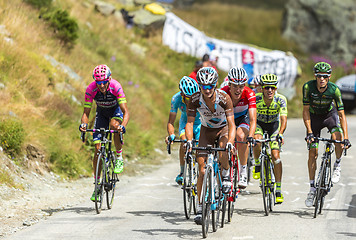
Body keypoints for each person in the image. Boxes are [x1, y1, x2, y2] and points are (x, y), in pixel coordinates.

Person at [185, 67, 236, 225]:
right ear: (199, 85)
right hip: (206, 131)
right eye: (203, 86)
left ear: (215, 85)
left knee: (222, 152)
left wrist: (229, 143)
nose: (206, 90)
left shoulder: (224, 98)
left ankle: (226, 174)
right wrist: (188, 140)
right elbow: (189, 123)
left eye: (210, 86)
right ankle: (200, 206)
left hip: (223, 130)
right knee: (201, 170)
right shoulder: (194, 99)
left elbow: (232, 124)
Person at [303, 62, 351, 207]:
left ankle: (337, 164)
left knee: (338, 137)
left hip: (329, 115)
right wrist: (310, 132)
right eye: (319, 76)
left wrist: (346, 138)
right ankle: (312, 188)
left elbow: (342, 115)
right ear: (315, 77)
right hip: (314, 117)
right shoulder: (308, 87)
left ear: (329, 77)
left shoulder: (334, 90)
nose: (322, 79)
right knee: (313, 152)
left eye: (325, 76)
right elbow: (305, 111)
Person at [79, 64, 129, 201]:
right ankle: (97, 186)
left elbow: (126, 112)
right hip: (101, 114)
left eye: (104, 82)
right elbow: (86, 112)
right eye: (98, 82)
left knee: (114, 126)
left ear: (109, 79)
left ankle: (118, 156)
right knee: (97, 150)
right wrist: (83, 124)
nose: (101, 86)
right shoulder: (91, 89)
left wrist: (122, 126)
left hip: (115, 111)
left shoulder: (116, 86)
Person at [253, 73, 287, 204]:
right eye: (267, 88)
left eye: (273, 87)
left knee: (276, 156)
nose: (270, 90)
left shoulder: (281, 99)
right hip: (259, 125)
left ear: (276, 88)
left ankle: (278, 189)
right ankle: (257, 164)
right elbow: (251, 118)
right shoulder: (255, 99)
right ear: (262, 88)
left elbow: (283, 119)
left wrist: (281, 133)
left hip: (274, 127)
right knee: (256, 140)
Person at [220, 67, 257, 188]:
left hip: (242, 117)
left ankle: (243, 171)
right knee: (223, 141)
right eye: (235, 86)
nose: (238, 89)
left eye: (241, 86)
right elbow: (219, 115)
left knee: (241, 136)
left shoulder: (249, 93)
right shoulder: (223, 92)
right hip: (227, 117)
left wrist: (250, 136)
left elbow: (252, 119)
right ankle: (223, 170)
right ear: (229, 84)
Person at [165, 76, 201, 185]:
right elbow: (171, 122)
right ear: (182, 95)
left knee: (201, 147)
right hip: (185, 123)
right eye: (188, 98)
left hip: (199, 123)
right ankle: (182, 172)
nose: (191, 101)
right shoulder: (176, 99)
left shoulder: (201, 97)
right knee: (184, 142)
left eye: (193, 97)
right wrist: (171, 134)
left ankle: (201, 173)